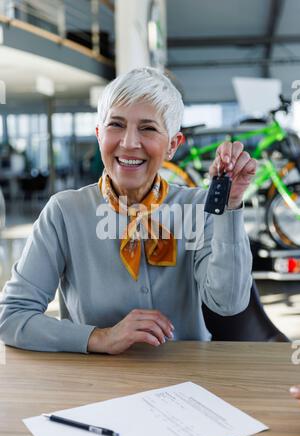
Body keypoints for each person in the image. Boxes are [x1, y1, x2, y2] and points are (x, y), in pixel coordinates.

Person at [0, 67, 257, 354]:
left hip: (186, 379)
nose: (130, 143)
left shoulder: (199, 208)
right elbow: (12, 317)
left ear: (173, 145)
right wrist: (99, 337)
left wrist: (230, 205)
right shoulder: (64, 213)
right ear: (99, 135)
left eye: (147, 128)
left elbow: (229, 302)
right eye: (116, 125)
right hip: (96, 381)